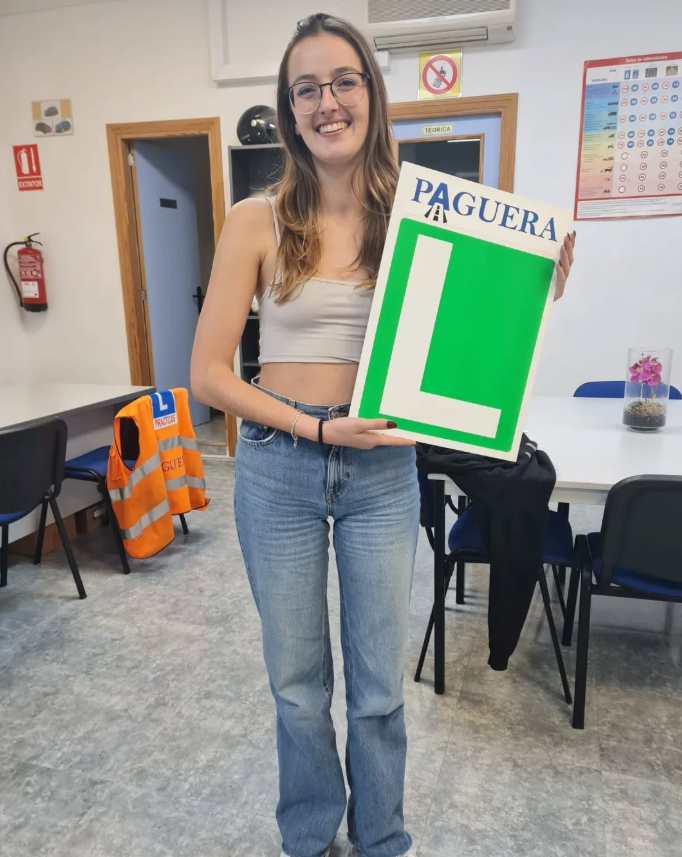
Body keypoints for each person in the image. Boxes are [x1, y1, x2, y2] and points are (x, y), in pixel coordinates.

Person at [190, 13, 576, 857]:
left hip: (383, 481)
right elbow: (210, 375)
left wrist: (531, 282)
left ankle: (382, 840)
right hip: (278, 472)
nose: (326, 102)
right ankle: (308, 837)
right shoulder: (255, 220)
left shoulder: (424, 210)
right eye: (306, 89)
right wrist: (316, 423)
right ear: (289, 111)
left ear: (371, 92)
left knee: (376, 689)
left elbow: (472, 335)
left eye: (343, 82)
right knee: (297, 687)